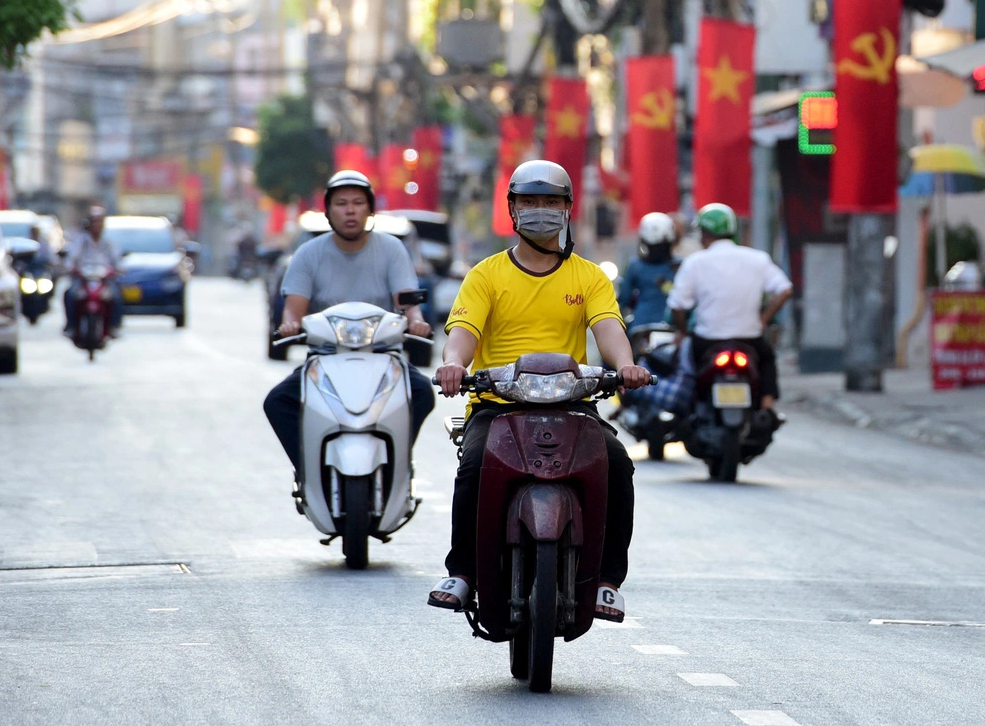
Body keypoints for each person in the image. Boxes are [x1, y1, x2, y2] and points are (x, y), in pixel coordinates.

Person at [427, 161, 652, 621]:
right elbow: (463, 334)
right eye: (529, 202)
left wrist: (626, 366)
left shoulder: (588, 276)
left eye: (550, 202)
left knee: (617, 465)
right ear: (512, 209)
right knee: (472, 469)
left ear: (568, 210)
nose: (540, 211)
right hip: (496, 406)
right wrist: (453, 365)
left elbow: (608, 328)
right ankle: (463, 572)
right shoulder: (486, 275)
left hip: (571, 404)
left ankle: (607, 582)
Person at [262, 170, 435, 472]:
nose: (350, 210)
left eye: (358, 202)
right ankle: (309, 468)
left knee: (422, 393)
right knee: (277, 401)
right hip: (325, 357)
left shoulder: (393, 248)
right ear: (328, 211)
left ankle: (397, 460)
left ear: (370, 209)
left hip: (382, 355)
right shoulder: (308, 253)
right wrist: (290, 324)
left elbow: (407, 299)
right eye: (341, 203)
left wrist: (416, 320)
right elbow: (294, 308)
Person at [666, 203, 793, 411]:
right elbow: (785, 290)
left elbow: (677, 305)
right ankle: (767, 405)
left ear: (704, 234)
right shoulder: (757, 259)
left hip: (707, 341)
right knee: (767, 359)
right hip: (749, 338)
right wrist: (764, 319)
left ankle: (690, 409)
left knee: (688, 371)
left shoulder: (695, 262)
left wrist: (683, 331)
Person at [62, 206, 124, 338]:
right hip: (83, 278)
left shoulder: (108, 242)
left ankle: (114, 326)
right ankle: (71, 326)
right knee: (70, 294)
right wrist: (70, 268)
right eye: (94, 222)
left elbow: (117, 261)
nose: (97, 226)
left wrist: (118, 269)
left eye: (99, 222)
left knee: (116, 295)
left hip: (103, 279)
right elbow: (71, 259)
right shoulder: (81, 241)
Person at [617, 211, 681, 330]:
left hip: (641, 326)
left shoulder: (635, 265)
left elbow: (624, 299)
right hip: (673, 326)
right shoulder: (681, 265)